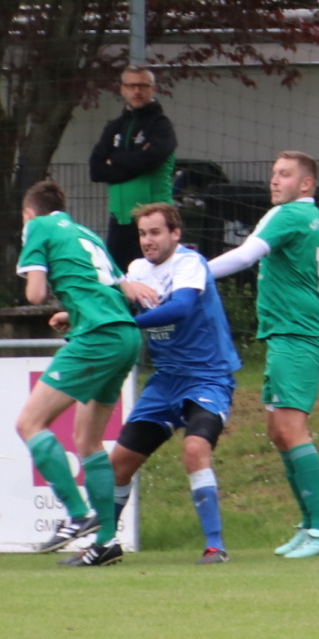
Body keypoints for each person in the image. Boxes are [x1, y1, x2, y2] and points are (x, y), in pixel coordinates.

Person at [208, 151, 319, 559]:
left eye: (284, 174)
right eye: (273, 173)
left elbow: (244, 255)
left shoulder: (287, 215)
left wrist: (190, 272)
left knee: (291, 429)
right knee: (277, 429)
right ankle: (309, 524)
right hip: (293, 333)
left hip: (297, 333)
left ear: (306, 184)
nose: (274, 180)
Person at [15, 180, 155, 567]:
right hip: (125, 336)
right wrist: (73, 313)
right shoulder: (84, 233)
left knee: (29, 423)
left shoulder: (38, 227)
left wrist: (48, 290)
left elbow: (35, 294)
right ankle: (106, 542)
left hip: (97, 337)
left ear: (29, 213)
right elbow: (119, 287)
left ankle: (77, 515)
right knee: (88, 440)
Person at [109, 203, 241, 565]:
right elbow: (114, 306)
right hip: (165, 380)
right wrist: (75, 316)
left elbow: (181, 307)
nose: (147, 240)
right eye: (142, 234)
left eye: (155, 232)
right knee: (119, 463)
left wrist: (127, 323)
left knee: (195, 449)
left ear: (175, 233)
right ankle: (105, 542)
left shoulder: (189, 263)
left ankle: (215, 546)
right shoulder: (137, 270)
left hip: (208, 377)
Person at [89, 64, 177, 272]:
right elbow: (96, 170)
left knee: (156, 281)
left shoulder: (161, 125)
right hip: (119, 221)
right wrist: (135, 159)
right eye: (131, 86)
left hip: (154, 221)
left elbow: (150, 160)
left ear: (153, 89)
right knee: (119, 282)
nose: (136, 91)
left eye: (142, 86)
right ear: (122, 89)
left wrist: (114, 159)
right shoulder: (113, 127)